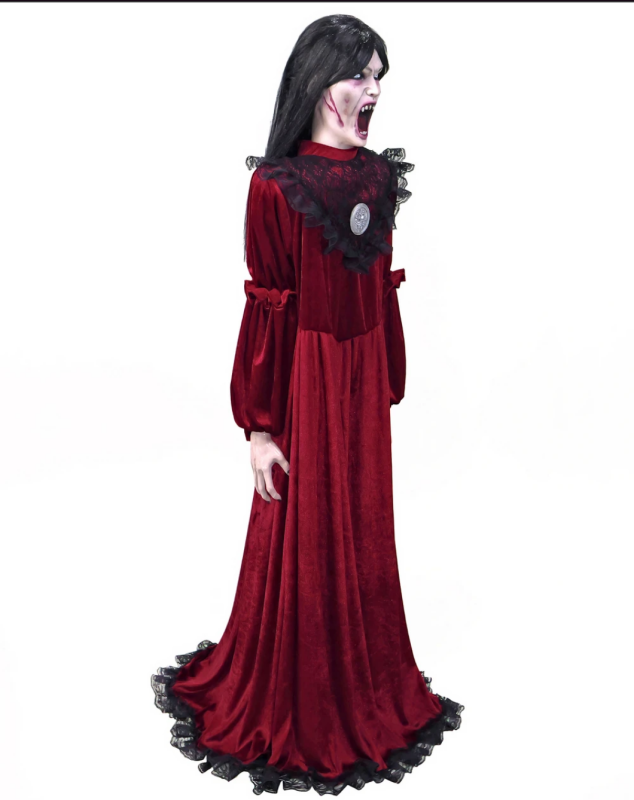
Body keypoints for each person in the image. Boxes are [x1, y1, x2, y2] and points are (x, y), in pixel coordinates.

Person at [151, 14, 464, 796]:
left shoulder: (378, 179)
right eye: (360, 74)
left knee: (360, 523)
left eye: (379, 75)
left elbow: (379, 286)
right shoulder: (275, 187)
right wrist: (260, 427)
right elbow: (269, 307)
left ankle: (363, 679)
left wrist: (385, 377)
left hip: (359, 381)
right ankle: (303, 695)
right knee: (302, 527)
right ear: (320, 80)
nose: (374, 89)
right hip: (305, 387)